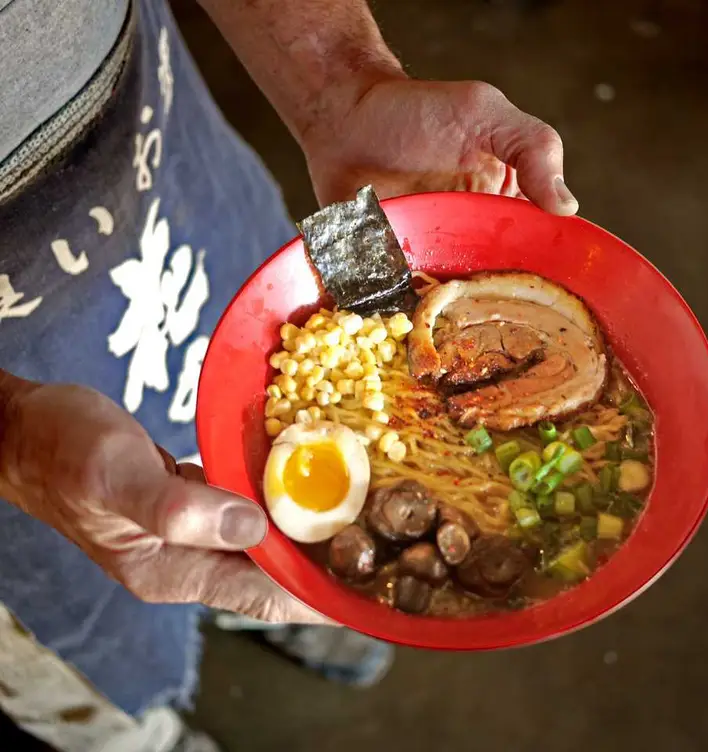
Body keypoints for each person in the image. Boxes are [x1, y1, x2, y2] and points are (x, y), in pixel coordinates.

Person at [0, 0, 578, 749]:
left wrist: (340, 85)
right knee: (71, 668)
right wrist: (12, 440)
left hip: (152, 144)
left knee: (245, 479)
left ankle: (289, 572)